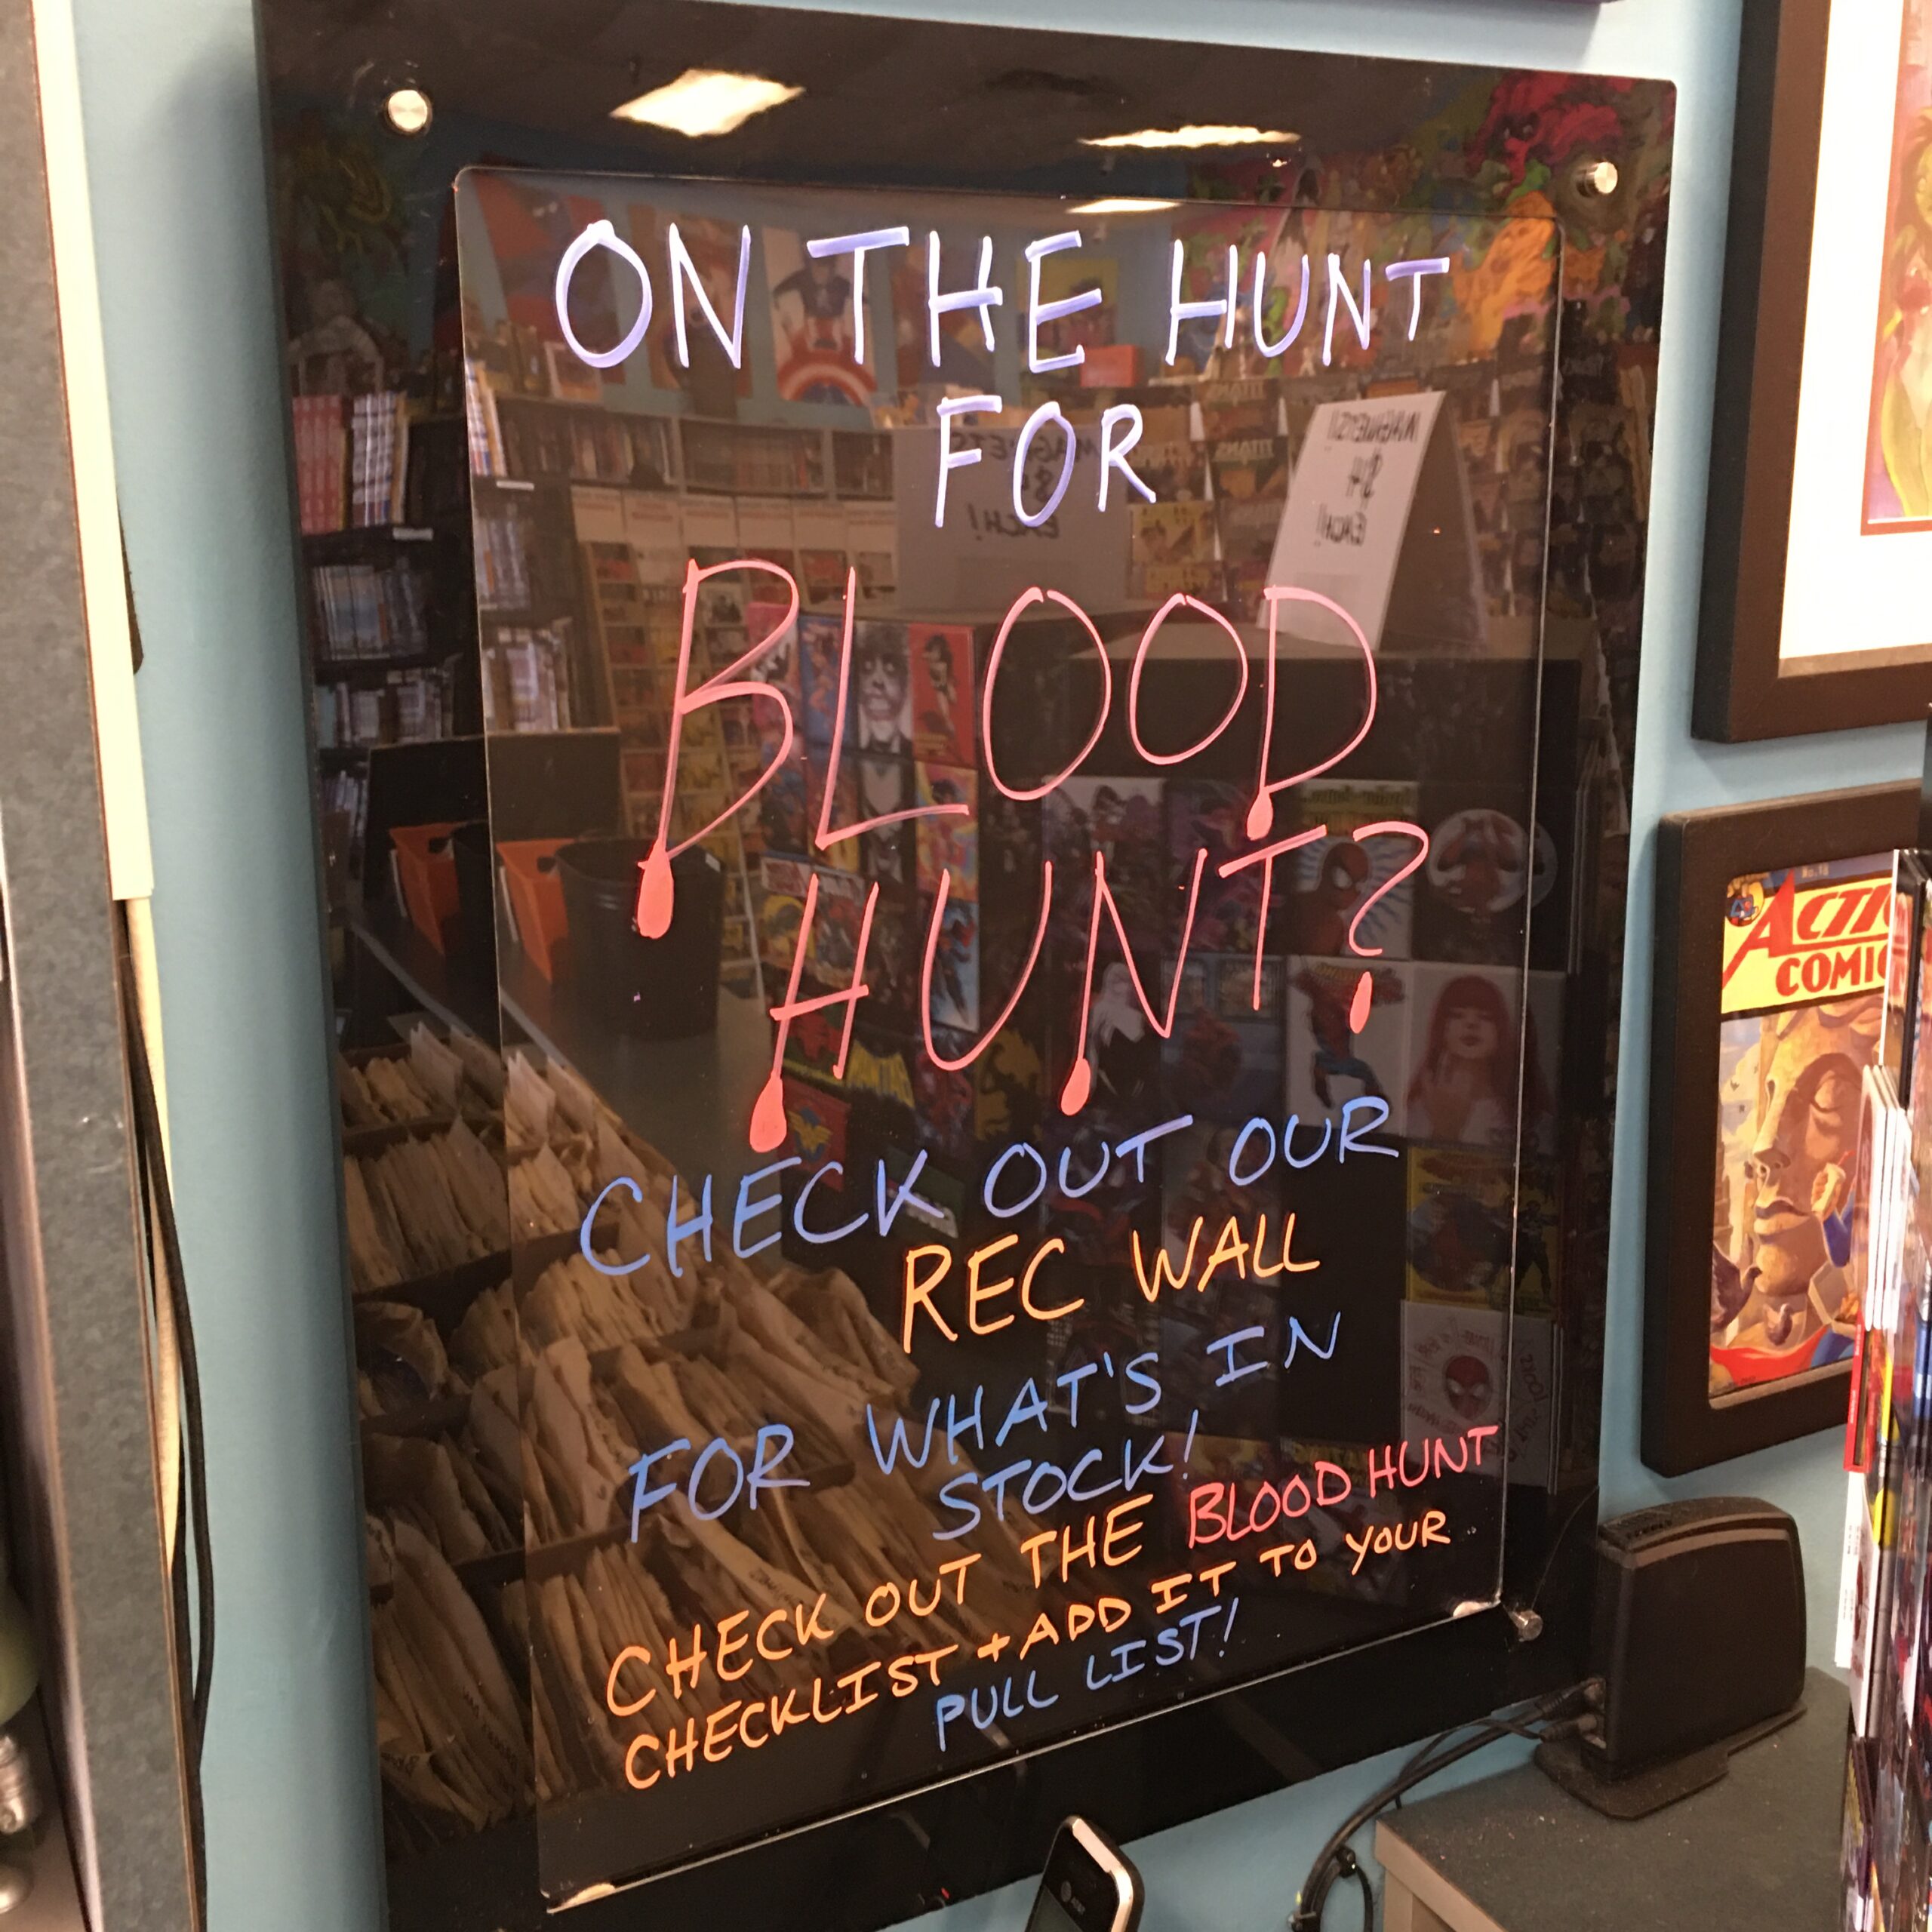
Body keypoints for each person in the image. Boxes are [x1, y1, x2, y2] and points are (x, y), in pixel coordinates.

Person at [1407, 974, 1549, 1146]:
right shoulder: (1417, 1111)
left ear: (1501, 1031)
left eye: (1486, 1017)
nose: (1471, 1023)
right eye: (1457, 1015)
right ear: (1442, 1029)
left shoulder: (1528, 1115)